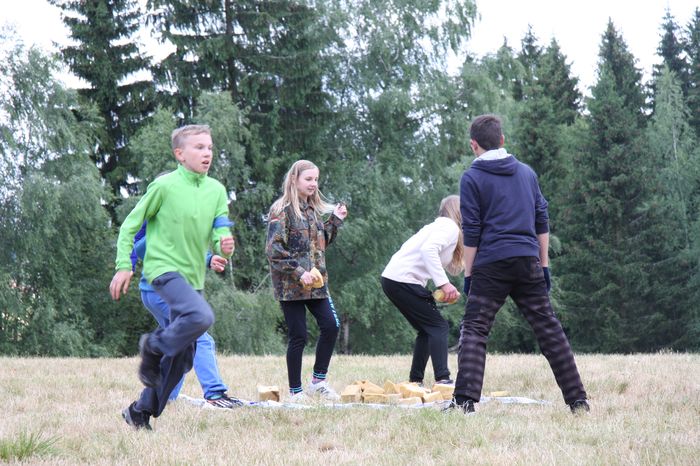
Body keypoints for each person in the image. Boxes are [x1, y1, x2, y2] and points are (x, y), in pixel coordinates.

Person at [450, 114, 589, 415]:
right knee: (549, 329)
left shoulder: (471, 178)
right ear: (502, 140)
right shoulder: (527, 173)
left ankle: (464, 403)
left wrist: (469, 273)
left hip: (491, 264)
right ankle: (578, 401)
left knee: (474, 329)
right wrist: (544, 265)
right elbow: (542, 220)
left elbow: (471, 230)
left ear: (474, 145)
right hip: (528, 261)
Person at [110, 124, 234, 430]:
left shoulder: (216, 191)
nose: (207, 153)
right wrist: (124, 264)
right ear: (180, 154)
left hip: (191, 281)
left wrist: (223, 247)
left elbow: (219, 233)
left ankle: (140, 411)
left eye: (210, 147)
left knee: (183, 357)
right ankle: (153, 345)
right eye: (199, 147)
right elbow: (130, 227)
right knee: (202, 318)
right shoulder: (163, 187)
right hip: (161, 274)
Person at [130, 222, 242, 409]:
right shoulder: (162, 210)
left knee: (181, 345)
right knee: (200, 338)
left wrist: (209, 259)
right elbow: (139, 245)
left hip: (158, 291)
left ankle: (165, 397)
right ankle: (214, 393)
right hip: (160, 292)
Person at [265, 160, 348, 402]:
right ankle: (295, 392)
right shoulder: (281, 210)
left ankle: (318, 382)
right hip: (290, 286)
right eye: (308, 179)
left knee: (331, 326)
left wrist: (335, 220)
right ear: (294, 179)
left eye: (316, 179)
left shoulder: (312, 211)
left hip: (317, 284)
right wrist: (300, 272)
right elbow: (273, 250)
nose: (313, 184)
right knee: (298, 335)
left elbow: (320, 244)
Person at [381, 195, 463, 386]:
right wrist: (444, 284)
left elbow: (452, 267)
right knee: (438, 326)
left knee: (427, 330)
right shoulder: (449, 227)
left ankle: (415, 381)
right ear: (459, 211)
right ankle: (443, 379)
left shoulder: (438, 227)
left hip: (394, 279)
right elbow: (428, 250)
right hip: (403, 280)